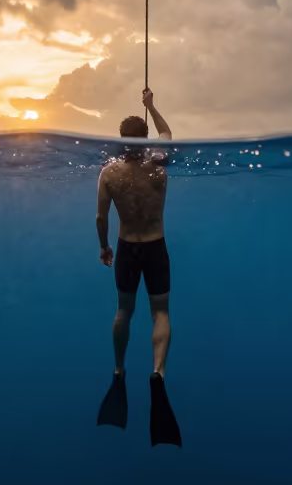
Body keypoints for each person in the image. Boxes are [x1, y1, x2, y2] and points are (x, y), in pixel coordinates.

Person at [94, 87, 181, 447]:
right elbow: (168, 134)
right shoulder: (159, 162)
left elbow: (101, 217)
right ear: (143, 138)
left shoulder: (110, 173)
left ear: (119, 140)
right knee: (160, 312)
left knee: (124, 311)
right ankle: (157, 374)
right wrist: (151, 105)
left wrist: (104, 246)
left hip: (127, 250)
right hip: (155, 247)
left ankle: (118, 369)